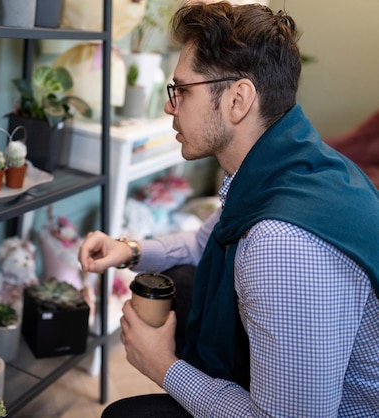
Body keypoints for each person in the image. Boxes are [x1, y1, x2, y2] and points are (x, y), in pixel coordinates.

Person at [78, 2, 379, 416]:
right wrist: (129, 250)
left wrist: (164, 367)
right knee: (182, 279)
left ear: (238, 99)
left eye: (182, 90)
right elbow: (205, 241)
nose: (170, 106)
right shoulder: (288, 164)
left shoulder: (281, 243)